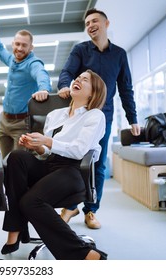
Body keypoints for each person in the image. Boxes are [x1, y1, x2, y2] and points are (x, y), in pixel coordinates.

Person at [2, 70, 107, 260]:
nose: (78, 80)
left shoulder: (95, 116)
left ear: (93, 93)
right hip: (51, 165)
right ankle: (15, 228)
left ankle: (83, 254)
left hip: (73, 171)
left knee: (30, 201)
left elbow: (79, 151)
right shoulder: (55, 114)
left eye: (85, 80)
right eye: (78, 78)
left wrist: (47, 141)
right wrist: (38, 146)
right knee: (17, 157)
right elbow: (49, 152)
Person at [57, 8, 140, 229]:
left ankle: (91, 210)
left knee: (98, 163)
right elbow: (67, 72)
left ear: (106, 23)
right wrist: (65, 86)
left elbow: (126, 88)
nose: (91, 25)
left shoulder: (119, 54)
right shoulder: (80, 50)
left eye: (95, 21)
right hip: (82, 114)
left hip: (106, 115)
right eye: (87, 23)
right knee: (75, 159)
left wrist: (133, 119)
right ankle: (70, 205)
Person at [0, 16, 52, 159]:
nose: (19, 48)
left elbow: (41, 74)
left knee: (18, 163)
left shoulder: (32, 63)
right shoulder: (12, 60)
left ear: (31, 47)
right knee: (4, 162)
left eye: (24, 45)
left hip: (21, 124)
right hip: (4, 121)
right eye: (17, 44)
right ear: (13, 44)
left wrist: (44, 89)